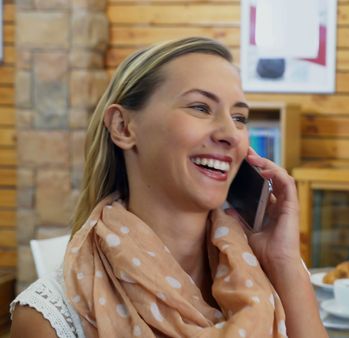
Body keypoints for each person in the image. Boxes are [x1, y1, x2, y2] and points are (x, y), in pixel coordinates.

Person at [10, 37, 328, 338]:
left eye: (239, 117)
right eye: (201, 107)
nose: (231, 134)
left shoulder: (273, 267)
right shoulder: (50, 319)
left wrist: (284, 261)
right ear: (123, 127)